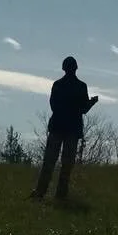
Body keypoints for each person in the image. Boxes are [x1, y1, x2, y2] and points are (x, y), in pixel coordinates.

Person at [29, 56, 99, 201]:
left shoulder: (58, 84)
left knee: (50, 162)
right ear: (76, 68)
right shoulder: (80, 86)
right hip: (71, 129)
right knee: (66, 164)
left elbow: (53, 105)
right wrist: (91, 102)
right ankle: (59, 196)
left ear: (63, 68)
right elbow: (83, 109)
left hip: (58, 126)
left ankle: (40, 193)